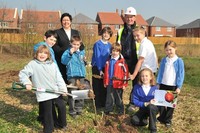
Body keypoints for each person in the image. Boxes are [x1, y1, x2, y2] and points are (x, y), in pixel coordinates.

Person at [19, 45, 67, 133]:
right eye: (40, 52)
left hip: (55, 90)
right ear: (36, 54)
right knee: (48, 112)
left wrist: (63, 88)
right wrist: (27, 83)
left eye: (45, 53)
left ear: (48, 55)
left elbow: (59, 77)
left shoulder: (52, 64)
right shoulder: (33, 64)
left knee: (62, 105)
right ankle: (48, 129)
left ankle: (61, 124)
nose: (42, 55)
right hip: (43, 92)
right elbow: (23, 74)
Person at [157, 40, 185, 128]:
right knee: (160, 102)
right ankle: (162, 117)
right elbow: (161, 72)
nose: (169, 52)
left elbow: (181, 74)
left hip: (173, 85)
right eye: (167, 50)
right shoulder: (164, 60)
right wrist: (158, 83)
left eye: (170, 49)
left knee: (170, 104)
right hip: (163, 84)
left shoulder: (179, 61)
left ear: (175, 48)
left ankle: (168, 120)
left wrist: (179, 86)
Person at [33, 30, 58, 125]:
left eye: (54, 40)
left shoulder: (50, 49)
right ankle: (48, 121)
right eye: (51, 39)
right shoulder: (43, 48)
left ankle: (41, 117)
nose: (53, 42)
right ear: (45, 38)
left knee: (44, 98)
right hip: (44, 78)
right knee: (48, 100)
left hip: (48, 77)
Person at [53, 13, 84, 83]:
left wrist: (80, 54)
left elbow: (81, 46)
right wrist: (64, 53)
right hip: (62, 60)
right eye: (64, 20)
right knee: (63, 79)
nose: (66, 22)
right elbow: (55, 46)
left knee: (76, 82)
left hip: (74, 61)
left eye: (67, 20)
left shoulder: (76, 32)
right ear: (61, 22)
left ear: (70, 21)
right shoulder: (57, 32)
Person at [61, 35, 86, 118]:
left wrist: (85, 62)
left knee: (80, 92)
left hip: (81, 75)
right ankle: (72, 111)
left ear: (80, 44)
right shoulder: (67, 52)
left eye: (77, 44)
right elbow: (63, 61)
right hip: (72, 75)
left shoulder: (82, 52)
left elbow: (83, 62)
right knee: (72, 93)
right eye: (74, 44)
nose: (75, 46)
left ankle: (79, 108)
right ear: (70, 43)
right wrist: (70, 53)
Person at [103, 42, 129, 115]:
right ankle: (108, 109)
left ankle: (120, 110)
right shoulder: (108, 61)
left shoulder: (122, 62)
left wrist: (124, 84)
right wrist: (105, 82)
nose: (115, 53)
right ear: (111, 51)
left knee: (118, 97)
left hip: (118, 83)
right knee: (109, 97)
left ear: (119, 52)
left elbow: (125, 74)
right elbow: (106, 72)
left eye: (117, 51)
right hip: (109, 82)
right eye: (113, 51)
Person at [131, 68, 159, 133]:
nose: (144, 78)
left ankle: (153, 129)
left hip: (153, 108)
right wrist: (146, 103)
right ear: (140, 78)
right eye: (142, 76)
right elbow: (135, 101)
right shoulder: (137, 87)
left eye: (146, 76)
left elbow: (160, 99)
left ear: (151, 77)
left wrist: (154, 102)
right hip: (143, 108)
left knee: (151, 107)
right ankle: (145, 121)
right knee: (134, 121)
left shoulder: (156, 87)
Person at [116, 7, 138, 88]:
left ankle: (134, 100)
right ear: (125, 17)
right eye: (127, 17)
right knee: (120, 83)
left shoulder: (139, 30)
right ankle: (119, 100)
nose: (129, 19)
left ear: (135, 17)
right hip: (123, 60)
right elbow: (117, 46)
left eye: (131, 17)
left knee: (136, 85)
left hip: (136, 61)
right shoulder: (120, 31)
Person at [91, 26, 113, 108]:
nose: (106, 35)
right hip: (97, 67)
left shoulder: (110, 45)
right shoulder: (97, 44)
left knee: (104, 85)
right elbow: (98, 56)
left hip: (106, 68)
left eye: (108, 33)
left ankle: (104, 103)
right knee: (97, 86)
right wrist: (100, 69)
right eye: (105, 33)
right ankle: (98, 104)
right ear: (102, 34)